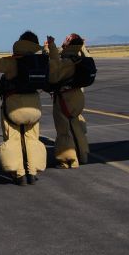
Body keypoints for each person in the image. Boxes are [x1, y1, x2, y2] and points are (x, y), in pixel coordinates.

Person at [0, 31, 47, 185]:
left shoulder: (11, 62)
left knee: (13, 138)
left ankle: (19, 174)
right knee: (32, 139)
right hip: (34, 105)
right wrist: (52, 48)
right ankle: (33, 172)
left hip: (14, 106)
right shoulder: (41, 61)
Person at [46, 34, 90, 169]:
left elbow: (54, 72)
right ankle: (83, 155)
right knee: (76, 127)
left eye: (67, 39)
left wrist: (50, 46)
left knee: (64, 130)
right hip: (77, 97)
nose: (64, 40)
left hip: (65, 97)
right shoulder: (80, 57)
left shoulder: (67, 59)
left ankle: (68, 160)